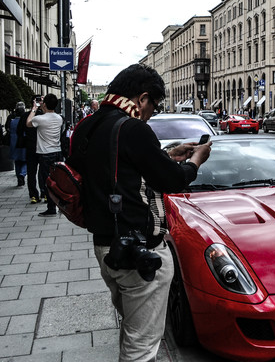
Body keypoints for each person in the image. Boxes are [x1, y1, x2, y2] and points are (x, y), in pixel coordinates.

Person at [68, 64, 211, 361]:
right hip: (138, 250)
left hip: (106, 245)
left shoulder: (87, 125)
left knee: (133, 329)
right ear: (142, 98)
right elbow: (171, 180)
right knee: (142, 346)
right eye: (153, 106)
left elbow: (112, 169)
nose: (151, 113)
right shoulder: (133, 128)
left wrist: (168, 155)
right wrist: (195, 161)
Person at [26, 94, 64, 216]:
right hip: (57, 152)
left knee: (47, 181)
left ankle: (51, 208)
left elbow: (28, 123)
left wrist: (34, 108)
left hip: (45, 153)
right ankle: (60, 204)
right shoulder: (59, 118)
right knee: (57, 180)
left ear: (45, 104)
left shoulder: (40, 119)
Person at [18, 102, 43, 203]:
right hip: (42, 147)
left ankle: (33, 195)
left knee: (31, 172)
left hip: (30, 146)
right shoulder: (43, 115)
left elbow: (19, 131)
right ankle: (44, 193)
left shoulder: (25, 116)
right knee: (43, 172)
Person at [9, 102, 27, 187]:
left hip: (14, 143)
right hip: (23, 142)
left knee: (17, 161)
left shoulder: (12, 121)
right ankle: (22, 174)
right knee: (25, 160)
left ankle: (18, 177)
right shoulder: (25, 121)